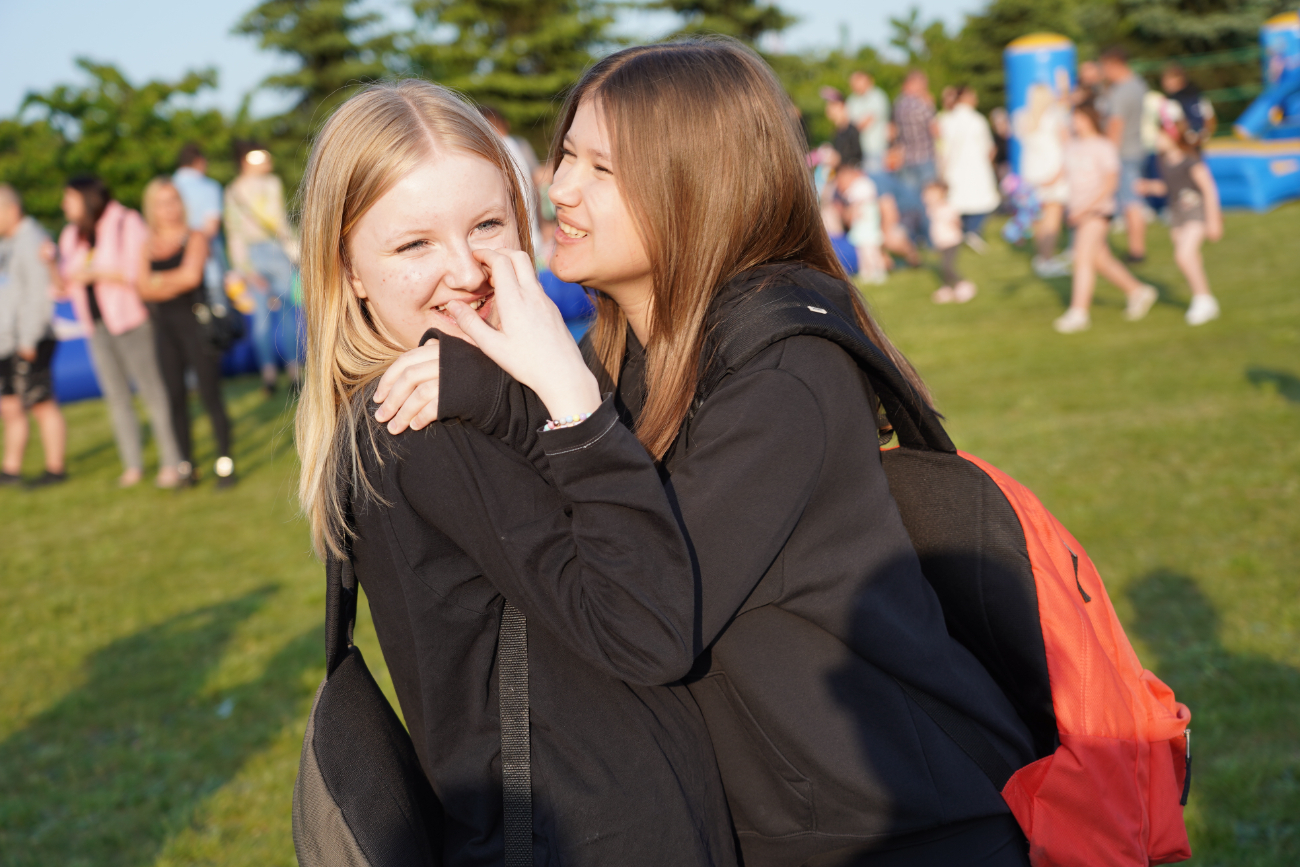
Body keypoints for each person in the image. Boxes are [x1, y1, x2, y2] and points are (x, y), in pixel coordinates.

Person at [377, 40, 1037, 866]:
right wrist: (503, 387)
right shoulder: (634, 354)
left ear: (698, 185)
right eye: (566, 156)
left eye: (602, 168)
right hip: (791, 827)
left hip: (903, 827)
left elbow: (648, 622)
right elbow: (590, 492)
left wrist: (565, 402)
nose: (562, 188)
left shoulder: (784, 373)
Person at [295, 79, 737, 865]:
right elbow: (648, 627)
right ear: (348, 270)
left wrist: (515, 392)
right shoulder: (425, 426)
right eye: (413, 245)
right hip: (590, 833)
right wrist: (564, 397)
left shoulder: (458, 395)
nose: (465, 270)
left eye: (487, 225)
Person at [57, 176, 181, 487]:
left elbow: (137, 271)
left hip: (131, 321)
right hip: (95, 326)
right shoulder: (71, 235)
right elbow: (63, 283)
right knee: (116, 397)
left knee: (153, 392)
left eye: (69, 198)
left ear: (87, 198)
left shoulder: (126, 221)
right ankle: (133, 466)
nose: (63, 205)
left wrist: (97, 273)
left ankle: (171, 462)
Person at [138, 177, 235, 486]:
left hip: (195, 325)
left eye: (173, 201)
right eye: (161, 203)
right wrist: (166, 282)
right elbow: (140, 287)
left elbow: (191, 277)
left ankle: (225, 464)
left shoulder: (195, 237)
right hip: (164, 331)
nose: (169, 209)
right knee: (174, 398)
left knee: (210, 395)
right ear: (151, 208)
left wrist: (157, 283)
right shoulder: (147, 244)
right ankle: (187, 466)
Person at [1053, 103, 1158, 334]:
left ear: (1090, 119)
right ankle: (1138, 291)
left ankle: (1079, 312)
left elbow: (1110, 182)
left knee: (1081, 259)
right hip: (1078, 211)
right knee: (1100, 259)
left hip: (1097, 211)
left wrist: (1086, 208)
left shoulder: (1103, 147)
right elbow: (1061, 173)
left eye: (1079, 118)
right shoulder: (1071, 146)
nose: (1075, 123)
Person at [0, 184, 66, 487]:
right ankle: (10, 469)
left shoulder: (32, 241)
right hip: (7, 341)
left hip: (31, 338)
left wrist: (28, 339)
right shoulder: (8, 244)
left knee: (41, 402)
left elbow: (39, 295)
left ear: (12, 209)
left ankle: (56, 468)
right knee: (10, 405)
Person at [225, 141, 299, 396]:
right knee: (263, 320)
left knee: (288, 312)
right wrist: (246, 269)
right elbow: (235, 233)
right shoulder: (235, 191)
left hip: (274, 249)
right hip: (255, 254)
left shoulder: (272, 184)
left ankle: (293, 372)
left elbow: (281, 223)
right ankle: (269, 374)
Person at [1137, 114, 1224, 325]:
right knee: (1190, 258)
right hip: (1177, 214)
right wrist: (1149, 187)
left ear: (1172, 136)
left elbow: (1208, 189)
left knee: (1183, 255)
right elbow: (1172, 188)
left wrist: (1214, 220)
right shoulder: (1163, 161)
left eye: (1159, 136)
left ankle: (1203, 299)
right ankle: (1204, 298)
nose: (1156, 141)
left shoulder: (1190, 161)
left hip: (1196, 212)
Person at [1098, 47, 1150, 263]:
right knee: (1131, 199)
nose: (1103, 71)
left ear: (1114, 63)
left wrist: (1105, 158)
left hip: (1123, 152)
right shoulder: (1139, 84)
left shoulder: (1122, 92)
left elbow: (1115, 126)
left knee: (1130, 202)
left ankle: (1136, 251)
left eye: (1104, 67)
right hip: (1137, 148)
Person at [1016, 83, 1072, 277]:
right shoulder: (1055, 115)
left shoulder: (1021, 117)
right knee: (1052, 220)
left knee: (1039, 220)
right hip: (1054, 172)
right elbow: (1067, 144)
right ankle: (1046, 260)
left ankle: (1042, 257)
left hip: (1031, 175)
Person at [937, 86, 1000, 248]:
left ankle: (962, 232)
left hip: (954, 168)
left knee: (959, 202)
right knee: (980, 202)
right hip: (976, 169)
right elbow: (989, 148)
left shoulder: (946, 120)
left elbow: (941, 148)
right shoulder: (977, 120)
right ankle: (971, 232)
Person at [171, 142, 227, 301]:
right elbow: (212, 228)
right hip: (209, 268)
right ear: (199, 161)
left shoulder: (167, 187)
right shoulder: (209, 187)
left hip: (174, 269)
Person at [891, 69, 938, 244]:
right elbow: (935, 130)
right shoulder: (922, 105)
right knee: (930, 201)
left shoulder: (898, 104)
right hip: (925, 158)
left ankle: (912, 236)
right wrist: (931, 105)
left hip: (906, 159)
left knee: (910, 201)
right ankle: (931, 237)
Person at [835, 161, 887, 283]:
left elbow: (864, 201)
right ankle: (867, 272)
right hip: (860, 227)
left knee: (871, 250)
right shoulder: (853, 188)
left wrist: (856, 208)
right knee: (863, 251)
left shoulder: (863, 184)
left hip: (867, 225)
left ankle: (878, 271)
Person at [925, 180, 976, 304]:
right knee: (942, 266)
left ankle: (963, 284)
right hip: (941, 242)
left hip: (951, 241)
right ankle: (947, 288)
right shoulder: (931, 209)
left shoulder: (947, 208)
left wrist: (957, 227)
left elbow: (956, 222)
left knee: (947, 266)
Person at [845, 70, 890, 177]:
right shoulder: (852, 99)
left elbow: (864, 122)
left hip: (876, 148)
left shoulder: (877, 97)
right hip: (858, 151)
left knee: (877, 179)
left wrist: (854, 126)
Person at [1161, 64, 1215, 146]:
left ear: (1180, 79)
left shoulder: (1172, 101)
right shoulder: (1198, 95)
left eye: (1169, 79)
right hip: (1199, 139)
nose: (1165, 83)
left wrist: (1190, 138)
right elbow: (1210, 120)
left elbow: (1179, 124)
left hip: (1184, 143)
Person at [826, 95, 864, 170]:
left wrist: (839, 159)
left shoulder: (851, 129)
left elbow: (857, 155)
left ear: (842, 106)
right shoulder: (837, 131)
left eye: (833, 105)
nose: (828, 109)